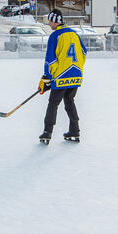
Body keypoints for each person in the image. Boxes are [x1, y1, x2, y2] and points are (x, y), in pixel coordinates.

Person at [38, 9, 86, 144]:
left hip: (61, 77)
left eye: (50, 21)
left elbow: (50, 59)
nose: (49, 24)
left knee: (53, 103)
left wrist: (47, 77)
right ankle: (75, 131)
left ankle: (47, 132)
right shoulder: (74, 34)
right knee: (69, 101)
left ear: (55, 21)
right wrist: (77, 69)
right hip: (76, 75)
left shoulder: (55, 36)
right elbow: (83, 52)